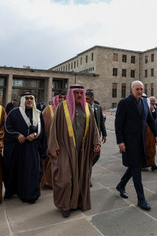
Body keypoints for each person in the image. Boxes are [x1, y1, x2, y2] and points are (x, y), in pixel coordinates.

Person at [48, 85, 100, 218]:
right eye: (76, 93)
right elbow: (54, 127)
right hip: (65, 149)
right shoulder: (62, 107)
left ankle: (78, 203)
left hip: (82, 149)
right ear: (71, 94)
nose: (78, 95)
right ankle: (65, 206)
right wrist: (53, 146)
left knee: (82, 177)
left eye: (80, 93)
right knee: (65, 179)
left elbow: (94, 127)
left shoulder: (87, 108)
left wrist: (96, 143)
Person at [115, 80, 157, 211]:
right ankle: (141, 199)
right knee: (136, 169)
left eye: (141, 89)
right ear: (131, 90)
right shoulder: (124, 103)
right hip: (129, 142)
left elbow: (150, 121)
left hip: (141, 141)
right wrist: (120, 141)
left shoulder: (144, 102)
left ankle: (121, 185)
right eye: (137, 89)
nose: (140, 91)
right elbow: (118, 124)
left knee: (133, 166)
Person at [3, 92, 47, 203]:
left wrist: (34, 135)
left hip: (32, 149)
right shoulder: (14, 113)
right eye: (27, 98)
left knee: (32, 172)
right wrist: (17, 135)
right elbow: (7, 127)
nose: (29, 100)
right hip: (18, 148)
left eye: (31, 98)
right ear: (22, 100)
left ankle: (31, 195)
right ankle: (15, 191)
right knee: (16, 170)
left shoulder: (38, 113)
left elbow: (42, 131)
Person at [40, 92, 66, 189]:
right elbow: (44, 126)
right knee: (48, 163)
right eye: (60, 97)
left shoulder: (67, 110)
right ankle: (47, 182)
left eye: (64, 98)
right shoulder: (48, 109)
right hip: (49, 141)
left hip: (62, 143)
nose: (62, 100)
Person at [144, 96, 157, 171]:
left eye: (153, 101)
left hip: (152, 131)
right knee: (146, 146)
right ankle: (144, 163)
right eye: (151, 101)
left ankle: (152, 163)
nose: (152, 102)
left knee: (152, 148)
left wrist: (153, 111)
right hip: (145, 130)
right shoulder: (145, 107)